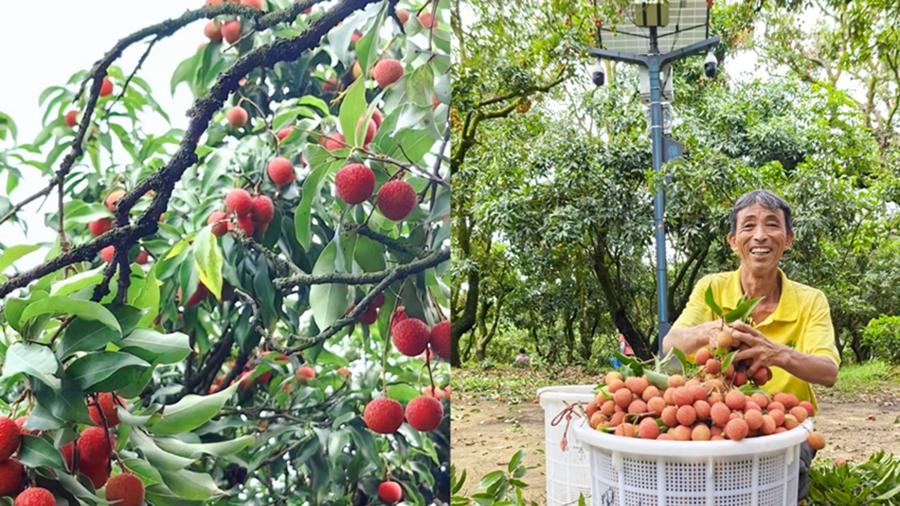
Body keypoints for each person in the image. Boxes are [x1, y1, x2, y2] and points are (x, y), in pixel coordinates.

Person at [663, 189, 839, 501]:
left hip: (784, 428)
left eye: (772, 225)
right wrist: (716, 329)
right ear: (733, 241)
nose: (760, 236)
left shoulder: (811, 300)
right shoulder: (712, 287)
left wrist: (777, 353)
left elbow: (828, 372)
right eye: (748, 226)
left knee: (783, 478)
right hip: (716, 418)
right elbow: (671, 344)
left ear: (788, 239)